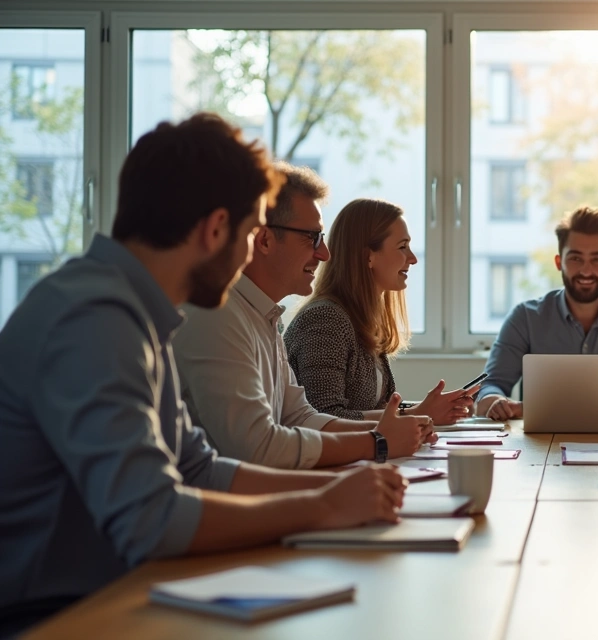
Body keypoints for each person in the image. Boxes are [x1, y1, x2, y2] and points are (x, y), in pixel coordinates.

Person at [0, 114, 405, 634]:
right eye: (251, 232)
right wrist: (321, 506)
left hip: (117, 592)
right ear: (215, 229)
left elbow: (199, 469)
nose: (250, 253)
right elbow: (152, 521)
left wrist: (337, 491)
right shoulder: (93, 317)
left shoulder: (137, 311)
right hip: (53, 617)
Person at [174, 164, 432, 469]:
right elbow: (258, 448)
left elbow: (300, 417)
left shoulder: (264, 315)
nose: (324, 254)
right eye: (312, 238)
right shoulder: (217, 315)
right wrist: (377, 442)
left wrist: (392, 431)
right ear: (265, 240)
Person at [474, 205, 598, 420]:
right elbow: (490, 384)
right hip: (541, 439)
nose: (586, 271)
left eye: (597, 259)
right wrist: (494, 401)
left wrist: (579, 408)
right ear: (558, 262)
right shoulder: (525, 317)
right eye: (576, 258)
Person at [285, 198, 473, 423]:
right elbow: (325, 417)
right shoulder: (325, 320)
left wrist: (435, 408)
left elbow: (376, 410)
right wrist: (418, 413)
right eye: (402, 247)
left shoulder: (363, 319)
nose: (413, 259)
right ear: (368, 257)